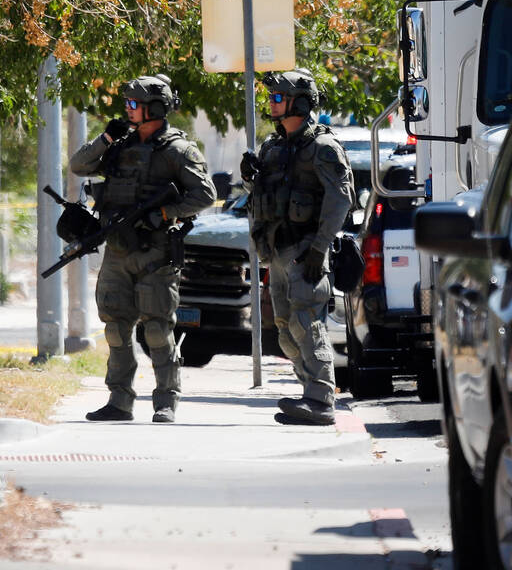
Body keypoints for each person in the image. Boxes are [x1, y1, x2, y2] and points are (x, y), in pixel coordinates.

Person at [69, 73, 216, 423]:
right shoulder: (118, 145)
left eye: (134, 105)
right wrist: (106, 137)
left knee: (157, 329)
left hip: (155, 252)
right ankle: (119, 401)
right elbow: (78, 165)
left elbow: (205, 194)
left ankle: (166, 400)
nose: (128, 110)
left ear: (154, 108)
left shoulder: (178, 150)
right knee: (116, 328)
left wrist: (166, 212)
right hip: (118, 252)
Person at [241, 69, 353, 425]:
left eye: (278, 98)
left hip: (305, 251)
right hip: (276, 252)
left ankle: (321, 400)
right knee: (287, 329)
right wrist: (249, 180)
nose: (271, 104)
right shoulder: (272, 148)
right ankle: (309, 393)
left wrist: (319, 250)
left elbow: (341, 199)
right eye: (271, 98)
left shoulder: (322, 147)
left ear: (300, 104)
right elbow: (263, 198)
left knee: (308, 323)